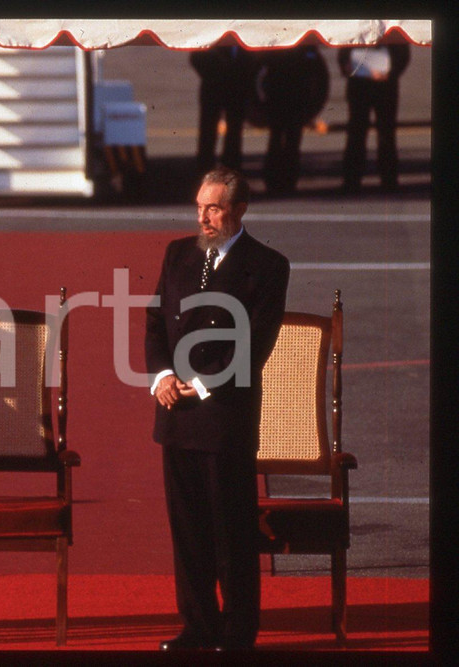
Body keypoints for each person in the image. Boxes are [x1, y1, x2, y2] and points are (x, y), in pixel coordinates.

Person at [145, 167, 289, 651]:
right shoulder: (177, 253)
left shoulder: (267, 266)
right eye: (199, 207)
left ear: (240, 210)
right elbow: (154, 320)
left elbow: (256, 344)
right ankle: (198, 625)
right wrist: (163, 377)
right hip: (175, 418)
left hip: (224, 414)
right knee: (187, 532)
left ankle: (237, 631)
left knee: (231, 530)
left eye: (214, 208)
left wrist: (202, 385)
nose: (203, 217)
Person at [338, 43, 411, 193]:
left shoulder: (391, 26)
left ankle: (389, 181)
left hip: (385, 86)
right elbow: (343, 51)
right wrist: (347, 68)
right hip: (358, 85)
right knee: (356, 133)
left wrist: (390, 73)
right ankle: (351, 180)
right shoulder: (356, 24)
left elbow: (403, 54)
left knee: (386, 133)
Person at [259, 45, 329, 196]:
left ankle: (285, 181)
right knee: (280, 140)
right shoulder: (286, 50)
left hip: (293, 102)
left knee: (288, 141)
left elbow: (319, 75)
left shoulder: (303, 50)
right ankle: (277, 181)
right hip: (279, 101)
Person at [189, 45, 258, 174]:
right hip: (213, 90)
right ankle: (204, 169)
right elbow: (196, 58)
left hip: (237, 91)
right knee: (208, 130)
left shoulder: (243, 44)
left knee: (235, 131)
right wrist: (211, 75)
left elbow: (253, 61)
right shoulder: (212, 39)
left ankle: (231, 169)